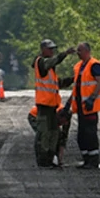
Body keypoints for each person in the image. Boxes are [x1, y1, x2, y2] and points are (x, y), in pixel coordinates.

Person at [30, 39, 74, 167]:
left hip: (51, 105)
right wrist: (65, 54)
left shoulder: (50, 70)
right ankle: (43, 160)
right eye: (50, 49)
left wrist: (72, 79)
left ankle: (50, 158)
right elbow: (53, 61)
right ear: (43, 49)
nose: (52, 51)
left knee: (54, 132)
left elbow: (58, 83)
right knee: (44, 133)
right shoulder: (41, 63)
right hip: (43, 105)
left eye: (53, 49)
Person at [68, 41, 100, 169]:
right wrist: (68, 105)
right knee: (81, 135)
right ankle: (86, 159)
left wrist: (92, 98)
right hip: (81, 107)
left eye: (80, 50)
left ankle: (93, 161)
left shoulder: (94, 65)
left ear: (87, 51)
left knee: (90, 134)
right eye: (77, 50)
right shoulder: (78, 66)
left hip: (90, 107)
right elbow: (76, 87)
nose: (78, 53)